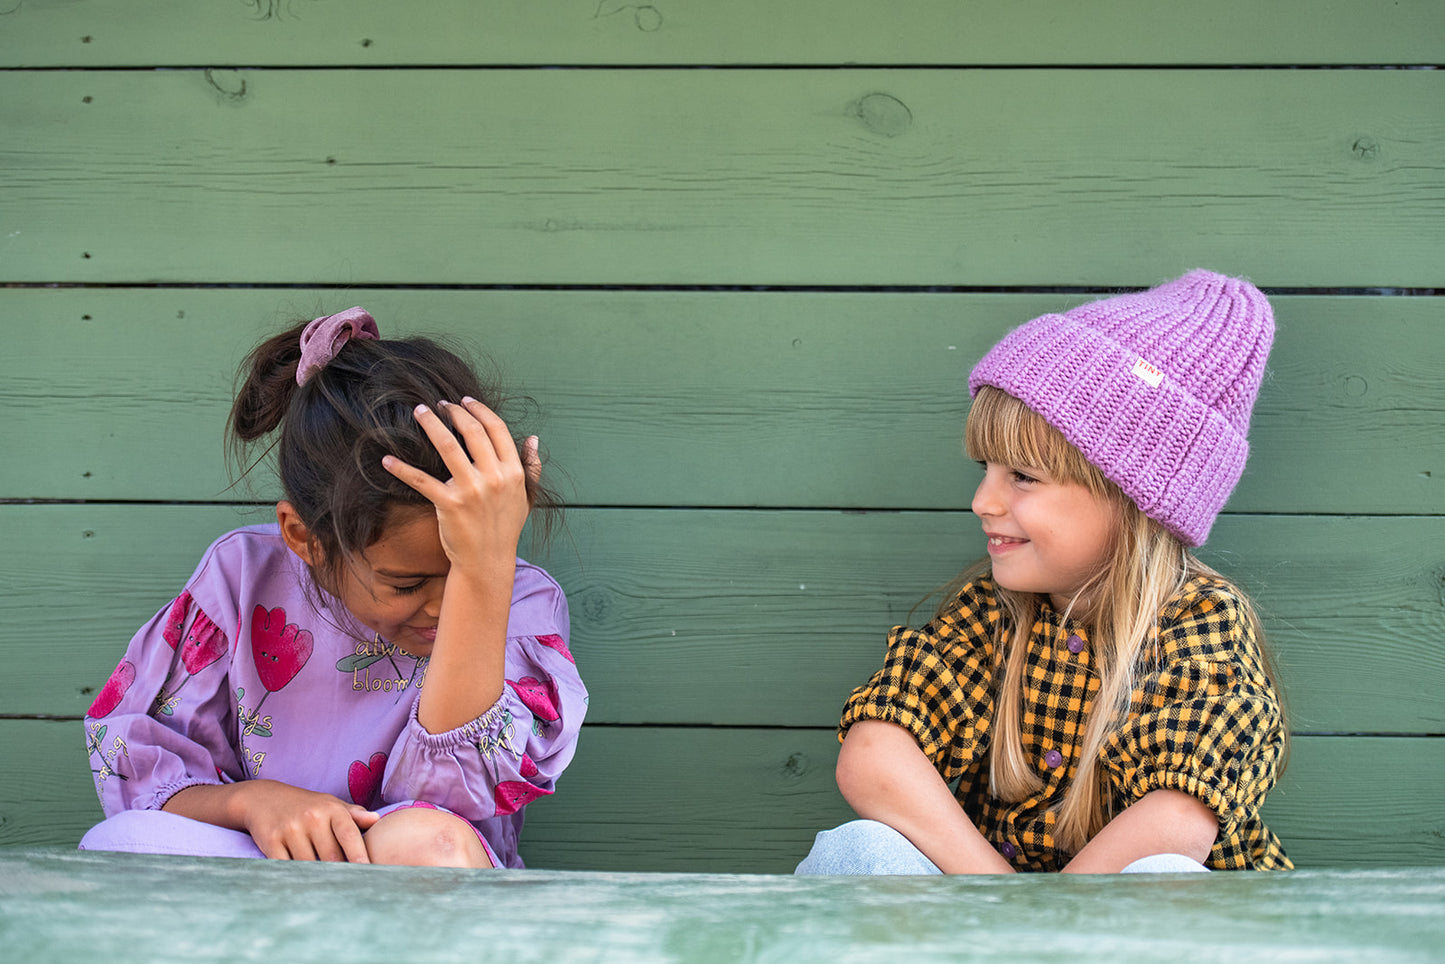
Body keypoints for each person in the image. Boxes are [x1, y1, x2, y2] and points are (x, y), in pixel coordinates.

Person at [796, 270, 1290, 875]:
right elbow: (874, 753)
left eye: (1023, 476)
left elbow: (1177, 823)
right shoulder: (991, 612)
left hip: (1131, 938)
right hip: (997, 920)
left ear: (1132, 498)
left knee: (1165, 876)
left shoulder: (1200, 624)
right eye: (986, 468)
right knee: (858, 853)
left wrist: (1043, 932)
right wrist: (1001, 903)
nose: (983, 501)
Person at [80, 307, 587, 868]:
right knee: (123, 842)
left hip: (419, 888)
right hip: (263, 867)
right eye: (408, 581)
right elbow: (142, 762)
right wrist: (253, 802)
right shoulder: (241, 576)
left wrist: (486, 571)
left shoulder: (518, 599)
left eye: (465, 571)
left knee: (426, 843)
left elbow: (451, 797)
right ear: (305, 538)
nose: (444, 603)